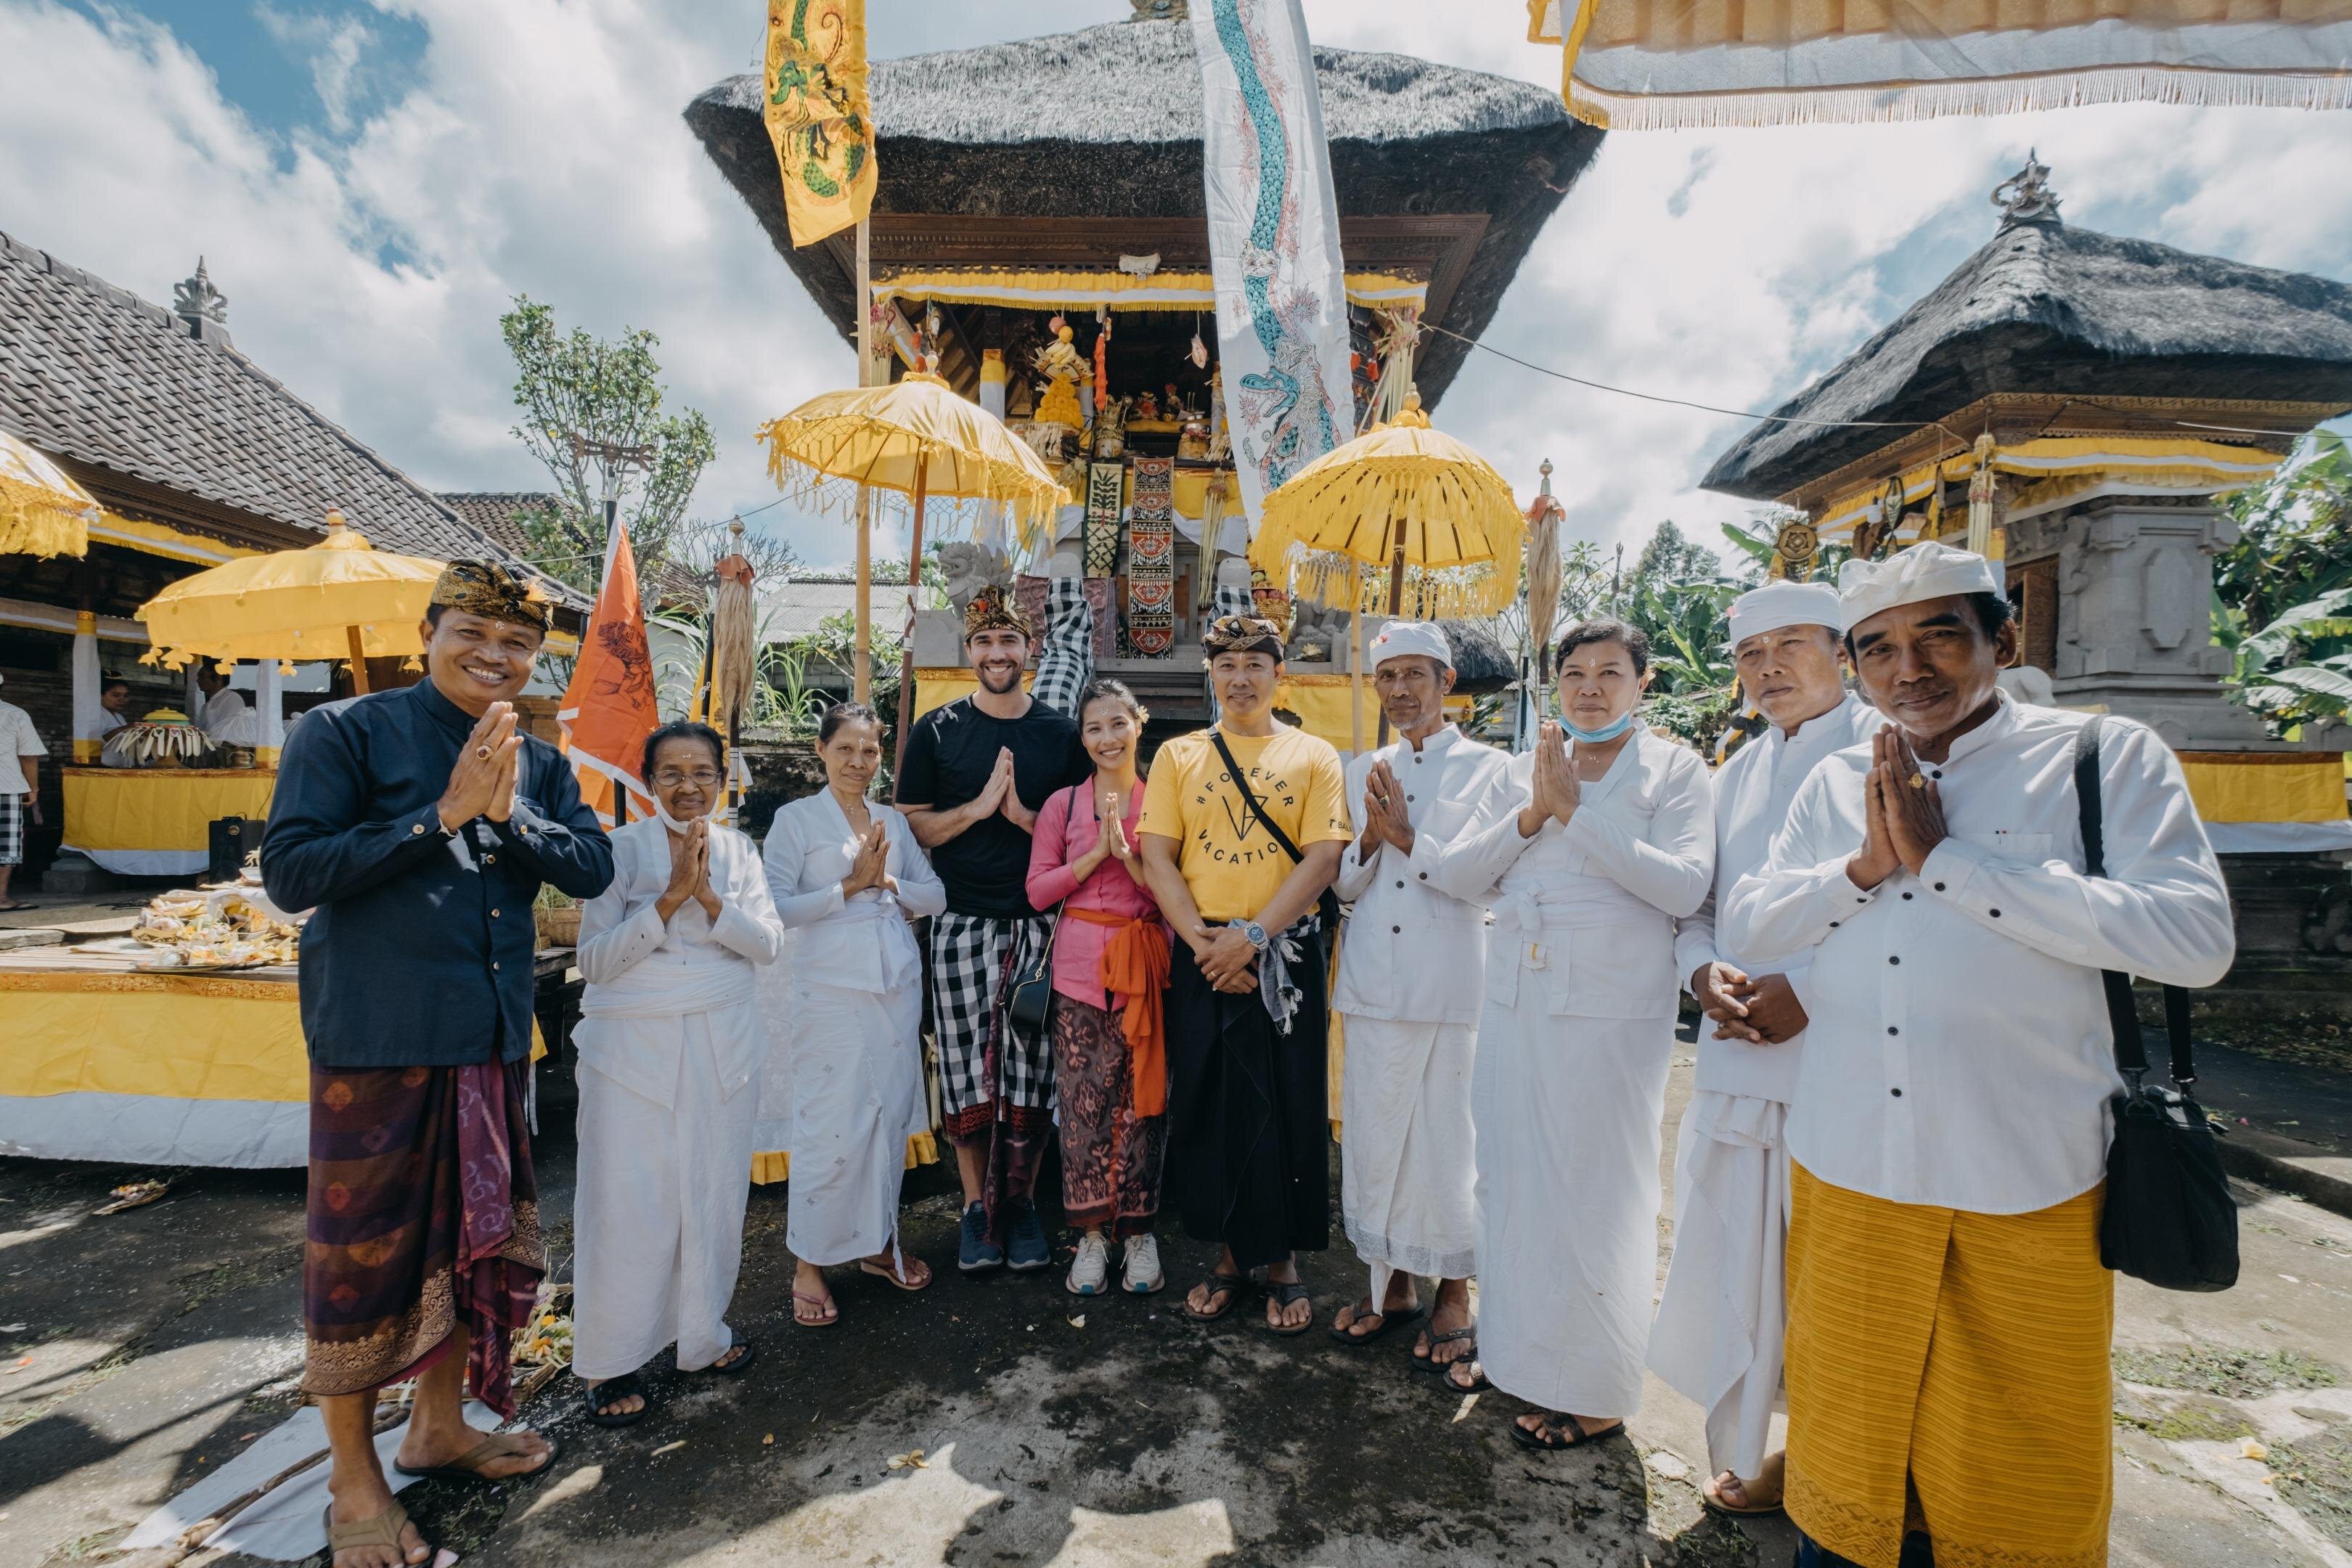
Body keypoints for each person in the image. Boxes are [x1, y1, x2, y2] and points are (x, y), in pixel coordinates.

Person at [1723, 542, 2235, 1568]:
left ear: (2001, 638)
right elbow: (1754, 923)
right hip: (1853, 1167)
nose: (1908, 669)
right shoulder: (1836, 780)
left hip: (2026, 1173)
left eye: (1939, 637)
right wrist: (1864, 866)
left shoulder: (2101, 758)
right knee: (1848, 1451)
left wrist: (1950, 863)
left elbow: (2196, 941)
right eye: (1878, 649)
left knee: (2018, 1466)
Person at [262, 560, 612, 1568]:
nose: (495, 656)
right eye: (474, 634)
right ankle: (352, 1480)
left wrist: (509, 815)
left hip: (490, 1033)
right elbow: (292, 873)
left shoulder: (538, 761)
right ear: (428, 632)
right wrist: (442, 816)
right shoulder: (344, 733)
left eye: (517, 644)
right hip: (380, 1038)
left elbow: (592, 864)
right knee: (361, 1263)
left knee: (471, 1248)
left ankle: (439, 1425)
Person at [1429, 620, 1714, 1450]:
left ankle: (1594, 1388)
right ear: (1556, 684)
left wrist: (1576, 816)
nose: (1591, 688)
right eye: (1576, 673)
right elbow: (1456, 876)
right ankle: (1517, 1354)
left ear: (1642, 684)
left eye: (1610, 672)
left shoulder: (1675, 771)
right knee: (1510, 1177)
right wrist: (1532, 814)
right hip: (1517, 995)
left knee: (1596, 1189)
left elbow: (1685, 887)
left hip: (1612, 1008)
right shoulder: (1524, 768)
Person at [1649, 581, 1881, 1518]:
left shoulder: (1892, 753)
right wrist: (1702, 973)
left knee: (1838, 1276)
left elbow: (1917, 912)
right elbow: (1699, 908)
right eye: (1751, 653)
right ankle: (1764, 1444)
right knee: (1745, 1265)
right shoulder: (1733, 772)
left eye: (1792, 645)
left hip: (1849, 1062)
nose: (1769, 668)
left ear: (1844, 653)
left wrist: (1811, 992)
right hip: (1739, 1050)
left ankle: (1838, 1457)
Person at [1136, 613, 1352, 1334]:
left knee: (1287, 1101)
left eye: (1254, 665)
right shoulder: (1179, 756)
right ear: (1211, 675)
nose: (1240, 678)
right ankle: (1231, 1255)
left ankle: (1283, 1260)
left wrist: (1254, 937)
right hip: (1203, 949)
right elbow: (1158, 856)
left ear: (1278, 674)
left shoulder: (1315, 755)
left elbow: (1324, 858)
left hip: (1284, 953)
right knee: (1214, 1104)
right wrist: (1206, 944)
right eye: (1226, 665)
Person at [571, 721, 785, 1427]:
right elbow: (594, 961)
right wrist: (668, 899)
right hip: (631, 1051)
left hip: (723, 1045)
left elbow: (769, 945)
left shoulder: (739, 851)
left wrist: (710, 899)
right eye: (672, 773)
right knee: (628, 1200)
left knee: (713, 1192)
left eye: (702, 773)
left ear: (722, 779)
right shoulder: (619, 849)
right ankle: (610, 1360)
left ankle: (700, 1338)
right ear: (649, 781)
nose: (688, 787)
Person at [1326, 621, 1510, 1371]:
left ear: (1446, 682)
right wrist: (1371, 842)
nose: (1400, 690)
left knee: (1446, 1146)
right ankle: (1392, 1283)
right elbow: (1343, 886)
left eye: (1415, 675)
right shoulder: (1362, 768)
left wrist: (1408, 838)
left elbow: (1491, 881)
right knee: (1378, 1142)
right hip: (1374, 980)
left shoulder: (1495, 771)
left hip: (1450, 984)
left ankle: (1455, 1292)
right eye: (1387, 677)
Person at [896, 585, 1091, 1273]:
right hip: (960, 921)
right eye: (984, 641)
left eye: (1009, 640)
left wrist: (1020, 818)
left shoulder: (1060, 735)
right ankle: (977, 1207)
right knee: (964, 1071)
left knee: (1031, 1071)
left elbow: (1082, 837)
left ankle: (1023, 1204)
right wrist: (977, 809)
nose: (997, 652)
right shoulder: (938, 729)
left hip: (1039, 925)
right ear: (970, 650)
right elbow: (915, 825)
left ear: (1030, 649)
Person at [766, 703, 947, 1324]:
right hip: (830, 991)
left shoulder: (891, 820)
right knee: (830, 1125)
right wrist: (849, 886)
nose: (858, 762)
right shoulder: (795, 820)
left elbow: (935, 896)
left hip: (894, 985)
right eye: (845, 749)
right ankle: (809, 1265)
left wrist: (888, 884)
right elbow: (774, 907)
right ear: (821, 750)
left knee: (887, 1117)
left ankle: (878, 1243)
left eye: (869, 751)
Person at [1023, 678, 1169, 1297]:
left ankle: (1138, 1233)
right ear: (1081, 739)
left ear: (1140, 723)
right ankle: (1089, 1236)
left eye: (1118, 724)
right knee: (1082, 1106)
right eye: (1094, 728)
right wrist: (1094, 857)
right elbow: (1037, 892)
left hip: (1146, 970)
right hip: (1078, 973)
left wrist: (1129, 858)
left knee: (1143, 1108)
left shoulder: (1165, 799)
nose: (1107, 738)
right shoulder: (1062, 805)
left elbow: (1178, 892)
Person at [0, 672, 44, 912]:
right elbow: (28, 756)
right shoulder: (15, 714)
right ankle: (1, 898)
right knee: (4, 846)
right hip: (5, 786)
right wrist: (33, 789)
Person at [195, 661, 251, 742]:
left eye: (202, 676)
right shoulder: (207, 705)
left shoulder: (232, 699)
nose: (198, 681)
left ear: (218, 678)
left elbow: (229, 731)